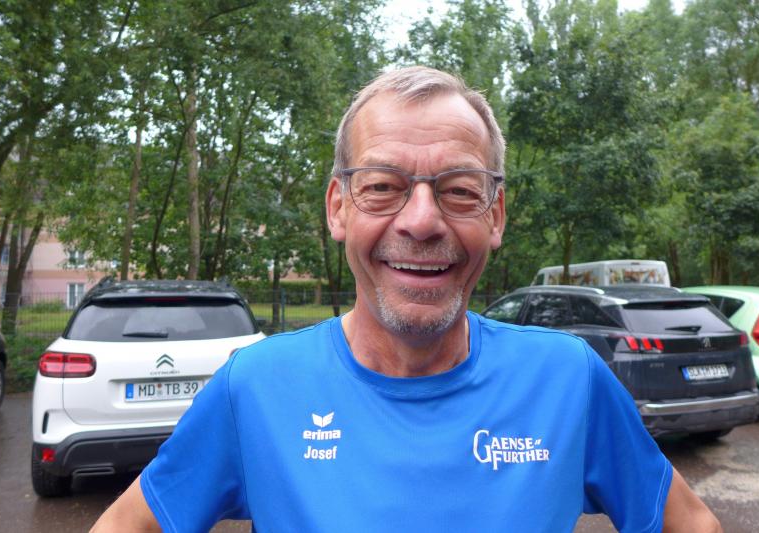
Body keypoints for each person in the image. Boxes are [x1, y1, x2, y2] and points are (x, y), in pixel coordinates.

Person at [92, 66, 721, 533]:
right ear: (338, 208)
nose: (421, 221)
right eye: (383, 186)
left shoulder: (567, 378)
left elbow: (691, 523)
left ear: (496, 215)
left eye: (460, 189)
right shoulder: (254, 387)